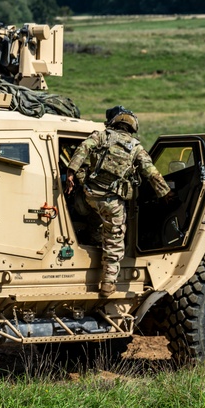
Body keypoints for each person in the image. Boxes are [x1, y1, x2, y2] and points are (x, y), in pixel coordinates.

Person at [65, 108, 172, 296]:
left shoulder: (101, 136)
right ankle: (107, 284)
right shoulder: (136, 148)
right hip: (111, 203)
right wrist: (166, 193)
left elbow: (83, 148)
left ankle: (92, 238)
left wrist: (72, 173)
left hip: (89, 196)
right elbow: (151, 173)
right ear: (132, 127)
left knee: (95, 218)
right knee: (114, 240)